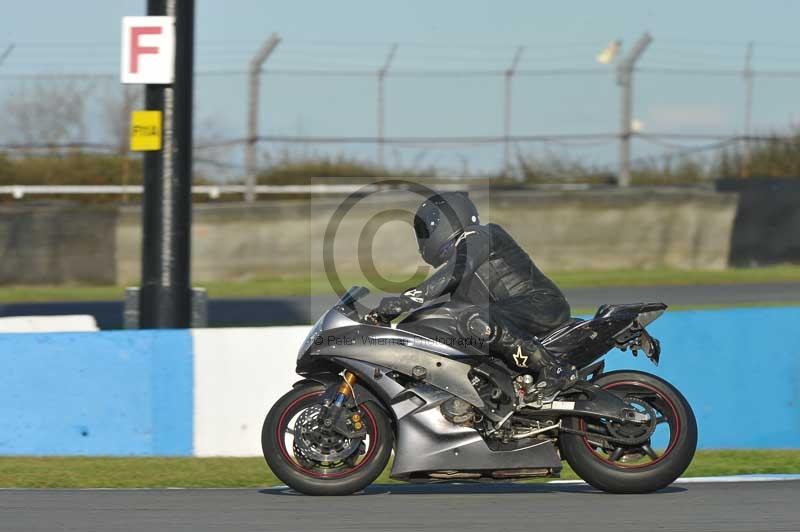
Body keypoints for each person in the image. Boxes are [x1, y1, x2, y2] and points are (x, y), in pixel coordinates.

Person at [367, 191, 577, 403]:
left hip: (542, 305)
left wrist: (405, 301)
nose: (422, 239)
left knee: (474, 318)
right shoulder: (462, 267)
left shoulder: (480, 235)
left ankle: (554, 369)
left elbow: (457, 270)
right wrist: (400, 327)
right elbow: (445, 310)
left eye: (424, 230)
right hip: (509, 315)